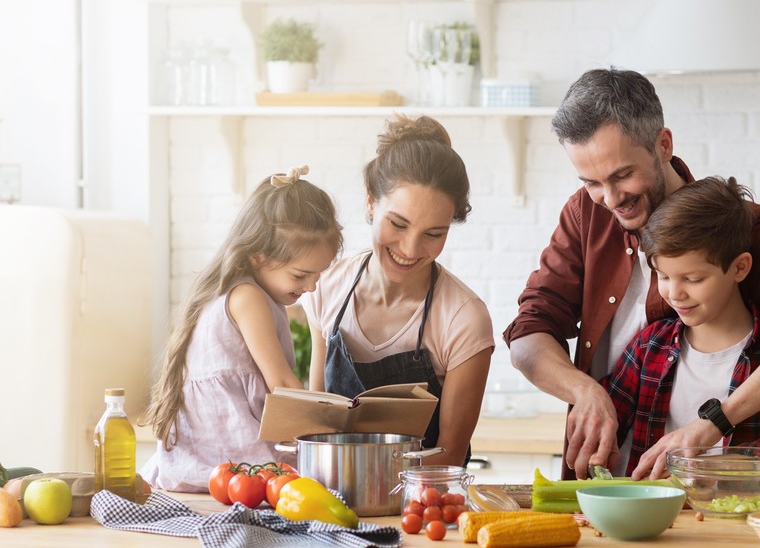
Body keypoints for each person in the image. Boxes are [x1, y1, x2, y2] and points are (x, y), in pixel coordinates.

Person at [504, 68, 760, 479]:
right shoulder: (586, 213)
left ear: (663, 144)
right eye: (591, 182)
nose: (610, 199)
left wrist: (715, 425)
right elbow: (528, 333)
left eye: (621, 175)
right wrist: (585, 391)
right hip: (616, 483)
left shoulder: (739, 227)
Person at [302, 115, 494, 468]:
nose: (409, 248)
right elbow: (317, 425)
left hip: (421, 505)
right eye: (398, 224)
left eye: (433, 234)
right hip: (332, 498)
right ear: (371, 202)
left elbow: (448, 457)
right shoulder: (325, 288)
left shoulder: (463, 318)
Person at [604, 176, 760, 479]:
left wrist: (708, 469)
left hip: (737, 517)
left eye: (693, 279)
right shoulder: (648, 346)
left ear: (740, 267)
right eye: (663, 276)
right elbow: (608, 422)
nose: (675, 293)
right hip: (650, 517)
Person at [140, 166, 343, 492]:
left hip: (211, 459)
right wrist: (324, 434)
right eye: (300, 275)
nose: (311, 287)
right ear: (258, 257)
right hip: (232, 457)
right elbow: (281, 384)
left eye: (318, 276)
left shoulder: (243, 290)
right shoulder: (248, 297)